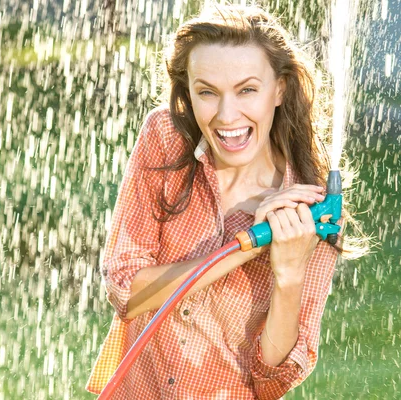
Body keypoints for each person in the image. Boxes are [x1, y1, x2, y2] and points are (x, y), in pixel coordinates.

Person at [86, 5, 363, 400]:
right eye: (207, 92)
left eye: (247, 89)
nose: (226, 114)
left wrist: (288, 273)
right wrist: (251, 244)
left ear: (280, 89)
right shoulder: (166, 139)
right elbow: (127, 292)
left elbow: (271, 381)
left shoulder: (311, 211)